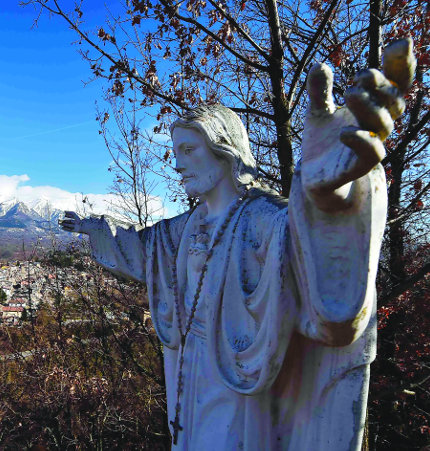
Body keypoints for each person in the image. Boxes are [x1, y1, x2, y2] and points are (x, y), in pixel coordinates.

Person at [60, 40, 416, 450]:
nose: (177, 164)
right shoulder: (186, 225)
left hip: (241, 382)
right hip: (190, 374)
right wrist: (99, 228)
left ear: (224, 150)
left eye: (188, 150)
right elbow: (143, 249)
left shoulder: (262, 218)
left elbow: (308, 255)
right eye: (176, 152)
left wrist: (323, 197)